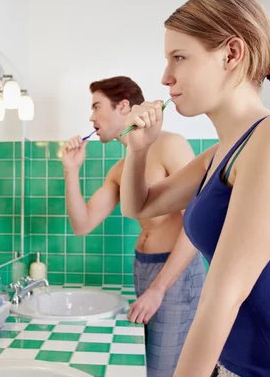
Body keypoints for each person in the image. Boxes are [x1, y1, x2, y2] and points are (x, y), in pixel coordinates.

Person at [120, 0, 270, 377]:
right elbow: (137, 207)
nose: (165, 77)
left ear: (231, 54)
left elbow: (225, 292)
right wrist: (138, 150)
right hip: (232, 366)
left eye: (179, 57)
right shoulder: (222, 152)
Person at [62, 76, 206, 376]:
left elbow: (197, 223)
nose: (91, 117)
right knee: (147, 367)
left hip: (175, 274)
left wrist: (158, 289)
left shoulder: (170, 145)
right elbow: (82, 225)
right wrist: (71, 171)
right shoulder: (120, 169)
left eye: (96, 107)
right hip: (144, 267)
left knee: (162, 370)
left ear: (123, 106)